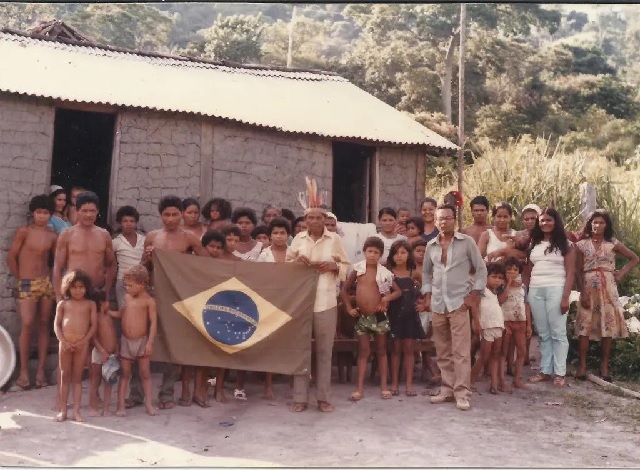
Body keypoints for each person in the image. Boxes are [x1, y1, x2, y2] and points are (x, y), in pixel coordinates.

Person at [142, 195, 208, 410]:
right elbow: (143, 270)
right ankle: (137, 392)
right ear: (160, 216)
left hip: (178, 296)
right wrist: (146, 258)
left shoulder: (189, 238)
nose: (171, 219)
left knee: (173, 344)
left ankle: (167, 393)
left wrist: (187, 267)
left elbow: (207, 263)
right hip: (152, 293)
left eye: (175, 214)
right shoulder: (152, 237)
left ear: (181, 215)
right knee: (142, 341)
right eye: (166, 215)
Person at [52, 191, 116, 411]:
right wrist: (60, 297)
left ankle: (94, 395)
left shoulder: (104, 235)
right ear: (76, 211)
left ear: (98, 212)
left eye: (92, 210)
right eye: (84, 210)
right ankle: (61, 400)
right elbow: (58, 268)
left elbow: (111, 265)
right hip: (73, 296)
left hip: (96, 294)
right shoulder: (67, 234)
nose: (88, 214)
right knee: (69, 346)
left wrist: (106, 293)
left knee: (101, 347)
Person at [422, 204, 486, 411]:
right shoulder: (431, 245)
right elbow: (426, 273)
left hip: (459, 302)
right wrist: (428, 296)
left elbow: (481, 269)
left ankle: (462, 393)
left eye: (447, 218)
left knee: (461, 351)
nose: (443, 222)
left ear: (454, 220)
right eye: (440, 218)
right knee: (442, 349)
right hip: (438, 303)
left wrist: (474, 295)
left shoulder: (466, 242)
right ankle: (447, 389)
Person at [287, 204, 350, 412]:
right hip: (302, 302)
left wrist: (335, 267)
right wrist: (297, 261)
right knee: (300, 350)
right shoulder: (298, 240)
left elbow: (348, 266)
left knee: (324, 351)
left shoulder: (335, 239)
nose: (314, 221)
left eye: (318, 217)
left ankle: (323, 398)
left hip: (326, 301)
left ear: (325, 219)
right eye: (310, 218)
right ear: (305, 220)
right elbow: (286, 265)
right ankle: (300, 398)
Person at [575, 210, 639, 382]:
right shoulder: (581, 245)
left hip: (608, 288)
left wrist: (620, 274)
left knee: (607, 326)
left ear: (607, 225)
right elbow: (577, 270)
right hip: (589, 287)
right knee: (584, 326)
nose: (597, 225)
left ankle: (604, 366)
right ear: (590, 224)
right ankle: (582, 366)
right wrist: (582, 293)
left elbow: (634, 258)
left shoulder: (613, 243)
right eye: (594, 222)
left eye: (601, 222)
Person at [7, 194, 58, 390]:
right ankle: (23, 372)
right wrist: (21, 279)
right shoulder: (24, 232)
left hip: (45, 283)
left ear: (50, 215)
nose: (42, 216)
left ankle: (40, 372)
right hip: (27, 282)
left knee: (44, 325)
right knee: (28, 323)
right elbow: (12, 257)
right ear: (32, 213)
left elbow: (56, 261)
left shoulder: (52, 236)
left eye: (46, 213)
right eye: (39, 213)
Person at [341, 237, 400, 401]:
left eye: (376, 252)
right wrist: (348, 308)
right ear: (364, 251)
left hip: (379, 316)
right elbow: (344, 290)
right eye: (369, 251)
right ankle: (359, 388)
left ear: (381, 255)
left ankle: (384, 387)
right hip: (362, 316)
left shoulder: (385, 273)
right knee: (363, 352)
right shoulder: (358, 269)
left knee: (381, 351)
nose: (372, 255)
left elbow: (397, 292)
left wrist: (384, 300)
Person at [526, 207, 575, 388]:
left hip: (556, 288)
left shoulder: (566, 244)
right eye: (542, 221)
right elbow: (528, 270)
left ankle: (560, 373)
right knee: (543, 333)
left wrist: (565, 297)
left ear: (556, 222)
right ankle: (545, 371)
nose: (545, 223)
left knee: (558, 332)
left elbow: (570, 272)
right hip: (536, 290)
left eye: (549, 220)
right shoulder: (534, 243)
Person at [107, 265, 157, 417]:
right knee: (125, 374)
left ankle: (149, 404)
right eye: (126, 285)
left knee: (145, 373)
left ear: (141, 285)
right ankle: (121, 406)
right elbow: (120, 314)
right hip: (126, 342)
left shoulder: (149, 301)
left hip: (141, 341)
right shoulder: (127, 298)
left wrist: (149, 343)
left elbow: (154, 323)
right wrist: (108, 312)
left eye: (130, 285)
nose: (127, 288)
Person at [53, 270, 97, 422]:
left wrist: (84, 341)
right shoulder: (63, 304)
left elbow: (93, 326)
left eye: (81, 287)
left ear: (86, 288)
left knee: (77, 378)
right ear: (67, 288)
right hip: (64, 343)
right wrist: (63, 341)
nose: (78, 290)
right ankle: (63, 410)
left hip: (82, 344)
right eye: (74, 287)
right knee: (65, 376)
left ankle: (76, 411)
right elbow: (57, 325)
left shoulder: (90, 305)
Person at [256, 217, 292, 399]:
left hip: (292, 301)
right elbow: (259, 279)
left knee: (291, 342)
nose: (279, 236)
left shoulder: (295, 254)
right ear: (270, 236)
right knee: (270, 343)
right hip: (269, 301)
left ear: (288, 235)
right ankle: (268, 385)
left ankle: (293, 384)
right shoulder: (264, 255)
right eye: (275, 233)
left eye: (282, 233)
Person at [386, 239, 424, 397]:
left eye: (403, 252)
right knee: (395, 350)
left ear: (409, 255)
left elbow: (425, 289)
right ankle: (394, 383)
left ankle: (409, 384)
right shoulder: (388, 273)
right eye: (396, 253)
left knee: (409, 349)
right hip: (394, 314)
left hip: (410, 315)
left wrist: (423, 304)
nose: (399, 256)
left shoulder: (413, 273)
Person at [470, 263, 507, 394]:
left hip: (498, 326)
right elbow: (474, 306)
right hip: (487, 326)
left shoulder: (495, 293)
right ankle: (470, 380)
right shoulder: (481, 291)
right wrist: (477, 323)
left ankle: (494, 385)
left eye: (500, 277)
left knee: (495, 355)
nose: (497, 280)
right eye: (494, 277)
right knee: (484, 356)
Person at [201, 230, 229, 402]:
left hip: (221, 311)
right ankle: (202, 387)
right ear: (204, 247)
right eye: (211, 246)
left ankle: (219, 388)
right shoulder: (195, 264)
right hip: (200, 311)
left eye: (219, 247)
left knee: (222, 351)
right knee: (202, 351)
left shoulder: (227, 265)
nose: (215, 250)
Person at [500, 257, 531, 389]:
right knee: (503, 352)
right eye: (509, 270)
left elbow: (526, 305)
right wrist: (508, 283)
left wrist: (529, 324)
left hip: (520, 321)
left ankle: (517, 379)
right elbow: (501, 299)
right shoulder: (501, 285)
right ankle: (501, 381)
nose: (512, 272)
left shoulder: (523, 286)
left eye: (515, 270)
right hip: (506, 321)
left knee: (522, 351)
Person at [88, 292, 118, 417]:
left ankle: (106, 407)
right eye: (107, 302)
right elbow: (94, 338)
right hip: (100, 353)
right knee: (96, 380)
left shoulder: (108, 316)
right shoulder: (96, 318)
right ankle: (93, 407)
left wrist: (117, 348)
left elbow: (113, 333)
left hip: (110, 355)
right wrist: (102, 350)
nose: (109, 304)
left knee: (109, 381)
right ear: (101, 303)